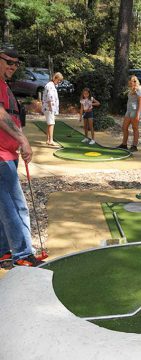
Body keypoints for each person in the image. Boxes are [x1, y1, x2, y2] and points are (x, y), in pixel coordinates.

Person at [0, 45, 42, 267]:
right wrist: (23, 139)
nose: (13, 66)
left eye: (16, 63)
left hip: (7, 153)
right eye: (8, 61)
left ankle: (5, 250)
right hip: (1, 156)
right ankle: (22, 254)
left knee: (4, 205)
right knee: (16, 206)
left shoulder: (3, 84)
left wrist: (19, 138)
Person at [118, 75, 141, 152]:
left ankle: (134, 146)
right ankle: (124, 144)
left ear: (134, 81)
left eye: (130, 82)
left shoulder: (139, 89)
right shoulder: (131, 89)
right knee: (124, 127)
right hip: (129, 110)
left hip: (135, 111)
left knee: (135, 128)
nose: (129, 84)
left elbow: (140, 102)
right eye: (129, 83)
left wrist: (138, 114)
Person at [42, 71, 63, 145]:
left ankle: (48, 139)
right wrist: (51, 107)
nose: (59, 82)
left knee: (49, 123)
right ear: (55, 78)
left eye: (60, 81)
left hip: (49, 107)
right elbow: (50, 97)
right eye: (59, 80)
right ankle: (50, 140)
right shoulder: (50, 85)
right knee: (51, 123)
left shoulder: (51, 85)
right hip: (49, 107)